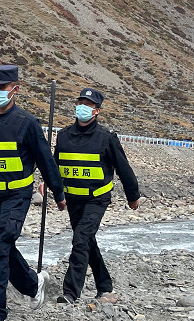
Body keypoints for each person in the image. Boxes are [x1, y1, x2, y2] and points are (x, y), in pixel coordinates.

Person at [0, 64, 65, 321]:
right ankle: (33, 284)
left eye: (2, 87)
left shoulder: (27, 122)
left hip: (17, 196)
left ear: (15, 89)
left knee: (1, 244)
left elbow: (45, 160)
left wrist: (58, 192)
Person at [52, 87, 142, 303]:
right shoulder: (63, 136)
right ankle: (104, 285)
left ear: (97, 110)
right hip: (73, 199)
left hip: (97, 199)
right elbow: (55, 166)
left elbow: (123, 168)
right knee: (87, 241)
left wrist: (133, 195)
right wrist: (53, 189)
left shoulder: (106, 138)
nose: (83, 107)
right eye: (80, 103)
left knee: (80, 239)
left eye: (88, 104)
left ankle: (70, 292)